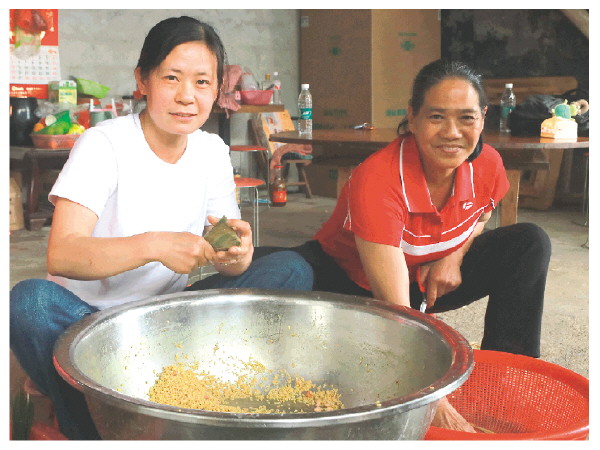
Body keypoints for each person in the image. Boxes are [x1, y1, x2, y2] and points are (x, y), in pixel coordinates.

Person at [10, 16, 312, 440]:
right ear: (143, 80)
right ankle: (92, 430)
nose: (187, 96)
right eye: (172, 77)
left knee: (291, 270)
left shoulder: (211, 151)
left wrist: (236, 254)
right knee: (30, 303)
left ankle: (190, 388)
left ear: (216, 91)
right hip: (86, 323)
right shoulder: (104, 144)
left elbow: (225, 256)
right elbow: (63, 255)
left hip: (166, 323)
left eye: (202, 82)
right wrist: (155, 245)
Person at [255, 59, 551, 431]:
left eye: (466, 118)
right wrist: (434, 402)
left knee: (529, 243)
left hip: (424, 280)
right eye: (436, 117)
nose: (452, 133)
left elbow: (481, 215)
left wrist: (453, 255)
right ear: (412, 117)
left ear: (483, 118)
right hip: (355, 285)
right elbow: (397, 310)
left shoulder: (487, 163)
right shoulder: (378, 179)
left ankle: (506, 381)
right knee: (276, 275)